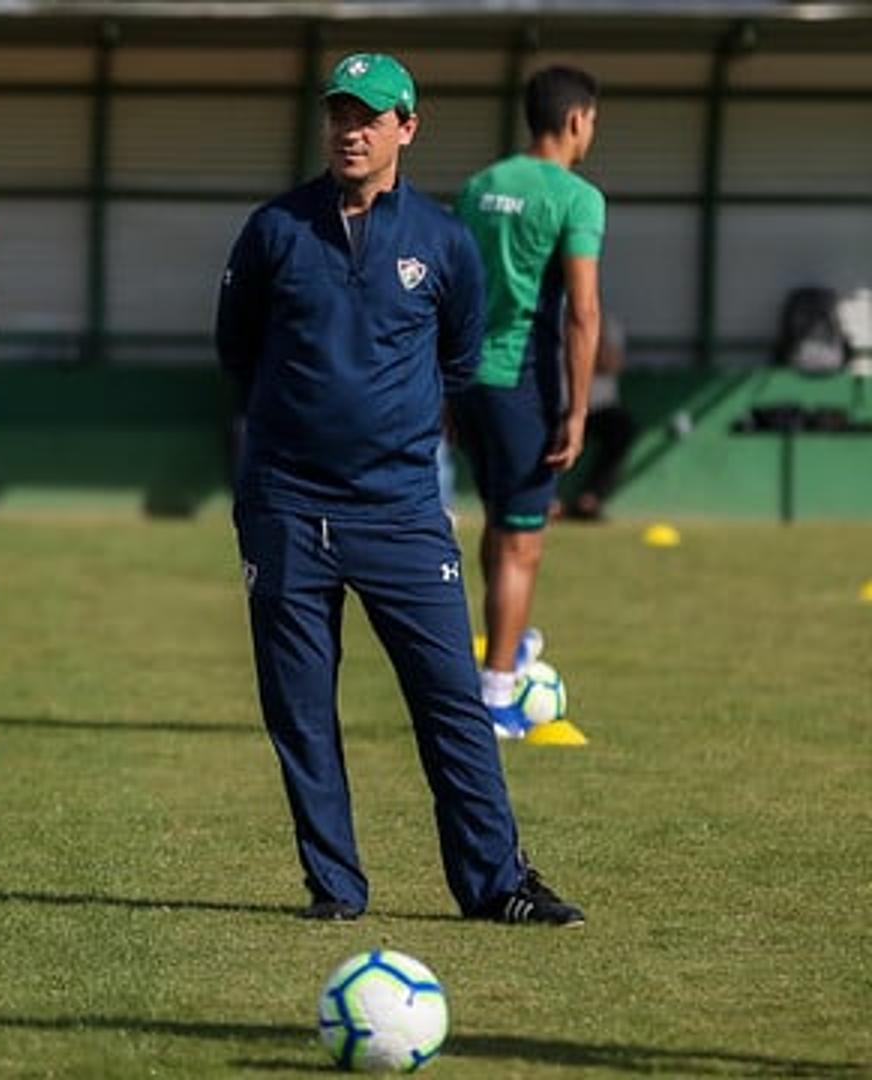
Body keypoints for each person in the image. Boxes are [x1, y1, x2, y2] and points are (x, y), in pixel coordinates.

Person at [215, 53, 584, 926]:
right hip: (286, 505)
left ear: (407, 128)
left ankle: (497, 885)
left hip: (401, 510)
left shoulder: (445, 242)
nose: (352, 129)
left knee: (451, 701)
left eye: (371, 116)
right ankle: (335, 889)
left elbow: (459, 357)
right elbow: (238, 350)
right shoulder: (274, 231)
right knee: (300, 712)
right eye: (340, 113)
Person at [453, 66, 604, 735]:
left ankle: (504, 651)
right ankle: (496, 693)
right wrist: (576, 409)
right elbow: (582, 312)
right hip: (524, 386)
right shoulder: (576, 198)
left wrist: (447, 390)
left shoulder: (480, 186)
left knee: (498, 523)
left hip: (468, 381)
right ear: (576, 121)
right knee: (524, 544)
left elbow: (451, 294)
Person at [566, 313, 633, 521]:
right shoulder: (551, 321)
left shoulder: (610, 327)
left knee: (622, 429)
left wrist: (592, 332)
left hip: (599, 409)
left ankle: (591, 498)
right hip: (561, 407)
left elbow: (610, 364)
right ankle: (547, 501)